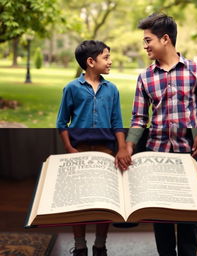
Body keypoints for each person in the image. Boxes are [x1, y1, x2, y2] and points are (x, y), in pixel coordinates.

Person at [124, 13, 197, 256]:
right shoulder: (145, 77)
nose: (145, 46)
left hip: (189, 155)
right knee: (162, 218)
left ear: (165, 39)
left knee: (189, 217)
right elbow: (139, 119)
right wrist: (129, 146)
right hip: (157, 154)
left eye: (148, 40)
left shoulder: (195, 70)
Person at [56, 40, 131, 256]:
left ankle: (100, 245)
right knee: (78, 200)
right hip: (78, 151)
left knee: (103, 202)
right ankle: (80, 246)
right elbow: (62, 122)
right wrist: (69, 148)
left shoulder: (112, 89)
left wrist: (121, 148)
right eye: (106, 57)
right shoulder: (71, 88)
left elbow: (117, 122)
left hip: (106, 152)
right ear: (90, 62)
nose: (110, 61)